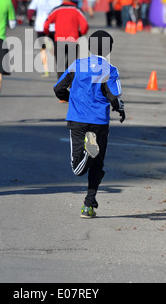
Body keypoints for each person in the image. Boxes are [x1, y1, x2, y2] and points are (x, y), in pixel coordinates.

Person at [53, 30, 125, 218]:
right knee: (97, 165)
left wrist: (71, 99)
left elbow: (58, 88)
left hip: (78, 120)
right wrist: (121, 109)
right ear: (109, 49)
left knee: (77, 168)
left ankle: (86, 153)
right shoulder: (110, 69)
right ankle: (88, 205)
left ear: (90, 47)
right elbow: (114, 97)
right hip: (100, 122)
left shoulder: (77, 65)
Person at [43, 0, 89, 80]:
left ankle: (60, 85)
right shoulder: (77, 10)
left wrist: (49, 34)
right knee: (71, 65)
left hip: (59, 40)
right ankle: (70, 84)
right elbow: (85, 25)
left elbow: (46, 24)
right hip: (73, 40)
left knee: (60, 65)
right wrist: (80, 33)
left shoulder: (56, 10)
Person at [27, 0, 62, 76]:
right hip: (53, 26)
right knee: (54, 47)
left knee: (42, 48)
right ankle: (58, 65)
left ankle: (46, 69)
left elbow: (30, 10)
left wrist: (30, 20)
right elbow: (61, 11)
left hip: (40, 26)